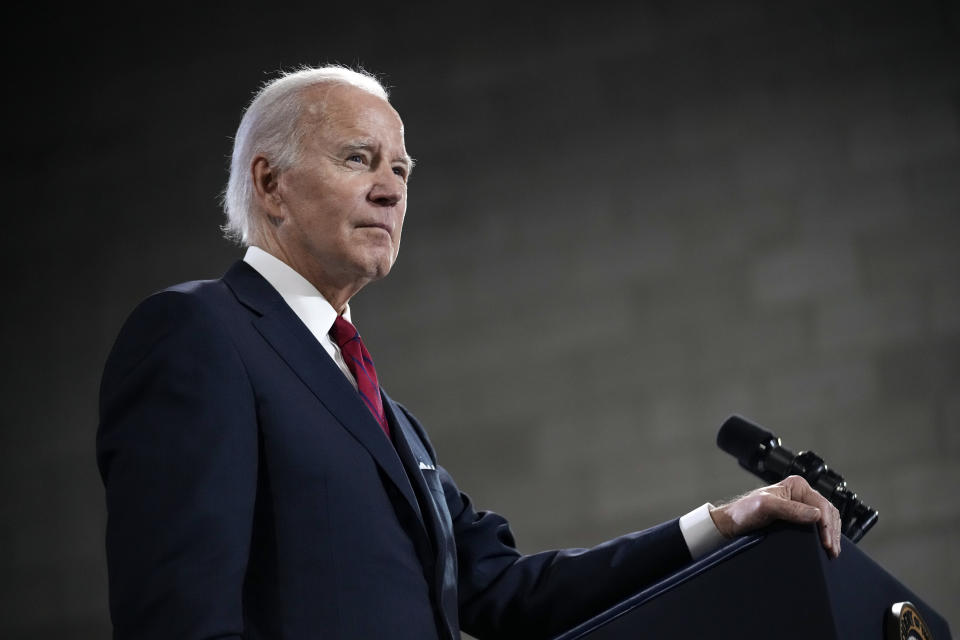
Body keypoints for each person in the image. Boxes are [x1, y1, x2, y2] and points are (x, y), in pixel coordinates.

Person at [97, 66, 841, 640]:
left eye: (402, 170)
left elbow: (506, 594)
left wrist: (725, 521)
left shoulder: (390, 417)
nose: (390, 190)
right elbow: (179, 618)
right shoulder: (200, 333)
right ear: (271, 183)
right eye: (360, 159)